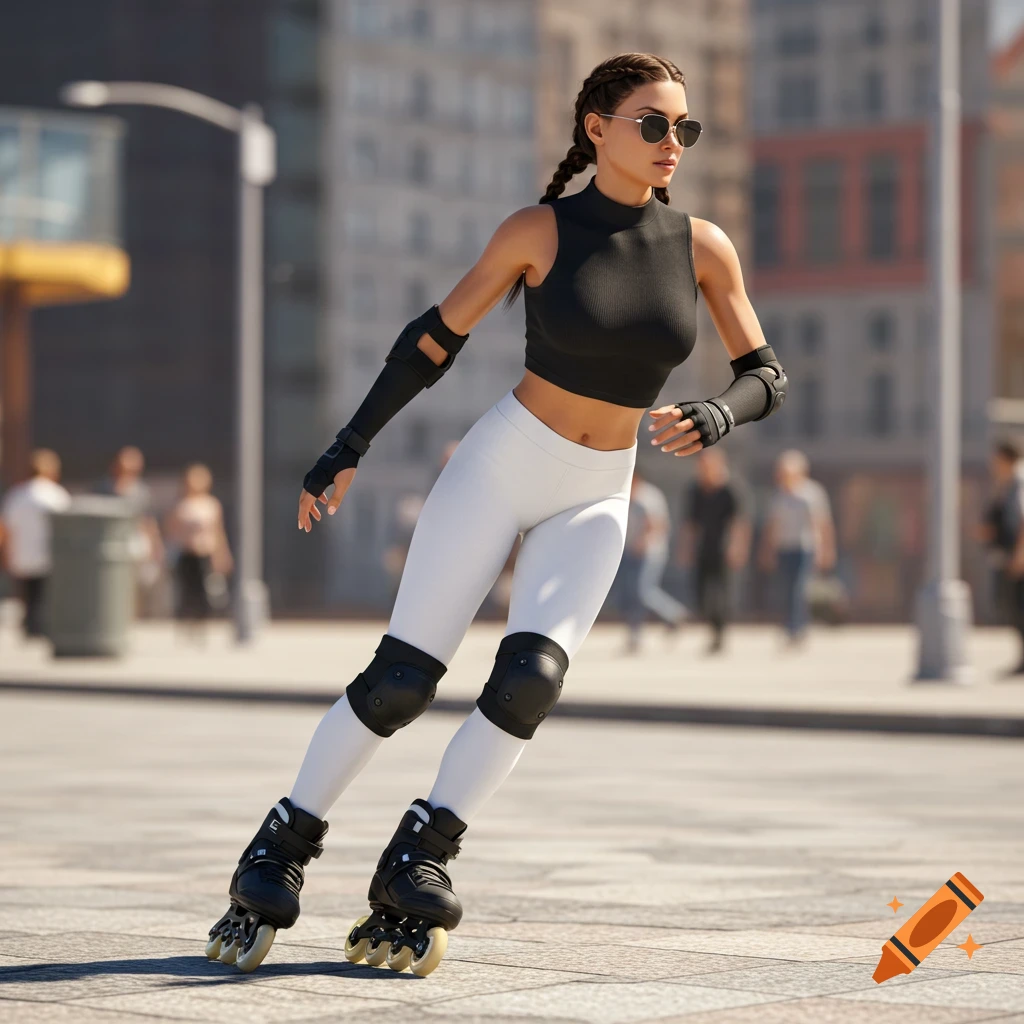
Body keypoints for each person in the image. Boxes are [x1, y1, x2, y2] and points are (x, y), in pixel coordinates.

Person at [206, 53, 788, 976]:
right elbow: (431, 340)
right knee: (402, 680)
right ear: (596, 127)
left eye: (684, 128)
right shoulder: (539, 230)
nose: (671, 142)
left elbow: (765, 373)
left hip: (601, 490)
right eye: (651, 123)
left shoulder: (704, 247)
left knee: (530, 682)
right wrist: (347, 446)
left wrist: (719, 412)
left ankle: (421, 855)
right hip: (503, 463)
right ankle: (280, 845)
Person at [677, 449, 749, 653]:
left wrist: (737, 547)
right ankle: (712, 627)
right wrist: (685, 548)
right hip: (703, 548)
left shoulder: (731, 490)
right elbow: (690, 524)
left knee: (720, 594)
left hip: (723, 549)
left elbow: (740, 523)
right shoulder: (695, 490)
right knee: (700, 592)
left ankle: (719, 634)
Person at [759, 450, 834, 646]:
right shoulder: (778, 496)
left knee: (799, 589)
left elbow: (821, 524)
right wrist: (768, 550)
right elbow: (772, 526)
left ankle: (797, 627)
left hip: (805, 547)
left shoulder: (811, 494)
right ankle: (791, 625)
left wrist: (825, 550)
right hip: (784, 547)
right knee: (786, 588)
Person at [0, 449, 71, 638]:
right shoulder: (56, 495)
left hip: (23, 555)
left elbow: (5, 527)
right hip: (48, 554)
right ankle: (38, 626)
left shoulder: (17, 494)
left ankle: (31, 625)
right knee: (43, 594)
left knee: (29, 594)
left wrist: (7, 553)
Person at [619, 469, 687, 653]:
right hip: (631, 552)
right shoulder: (627, 494)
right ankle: (634, 635)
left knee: (642, 591)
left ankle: (673, 613)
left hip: (650, 553)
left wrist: (642, 542)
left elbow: (657, 524)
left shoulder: (646, 496)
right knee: (632, 594)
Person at [164, 464, 232, 642]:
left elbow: (218, 531)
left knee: (204, 591)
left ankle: (201, 625)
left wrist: (222, 554)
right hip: (186, 554)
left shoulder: (211, 504)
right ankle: (186, 624)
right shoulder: (180, 505)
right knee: (187, 591)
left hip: (205, 553)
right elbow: (170, 532)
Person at [94, 446, 164, 617]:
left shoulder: (141, 491)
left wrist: (156, 546)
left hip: (135, 541)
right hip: (110, 540)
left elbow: (148, 521)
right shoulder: (104, 488)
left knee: (137, 582)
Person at [979, 439, 1024, 676]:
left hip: (1018, 560)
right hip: (1008, 558)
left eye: (996, 459)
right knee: (1012, 608)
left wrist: (1020, 556)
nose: (992, 464)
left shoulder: (1019, 483)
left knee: (1019, 608)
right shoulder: (1005, 485)